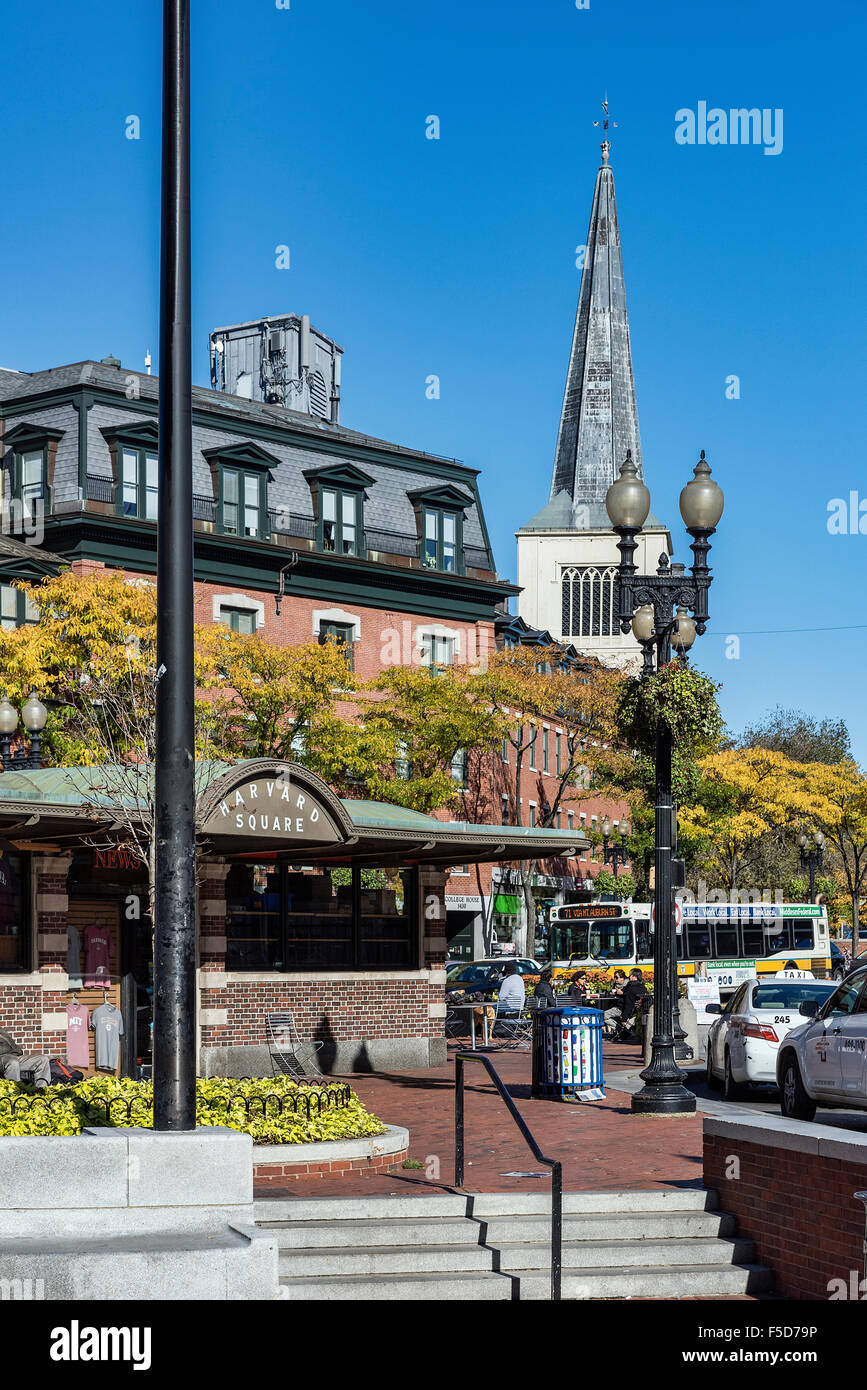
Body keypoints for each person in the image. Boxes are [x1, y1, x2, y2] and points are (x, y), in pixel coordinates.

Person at [604, 969, 647, 1040]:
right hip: (638, 1013)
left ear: (634, 976)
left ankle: (621, 1029)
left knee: (603, 1015)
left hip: (626, 1011)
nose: (629, 977)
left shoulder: (631, 988)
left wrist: (624, 1019)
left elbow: (628, 1005)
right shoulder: (643, 987)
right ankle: (624, 1030)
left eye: (630, 975)